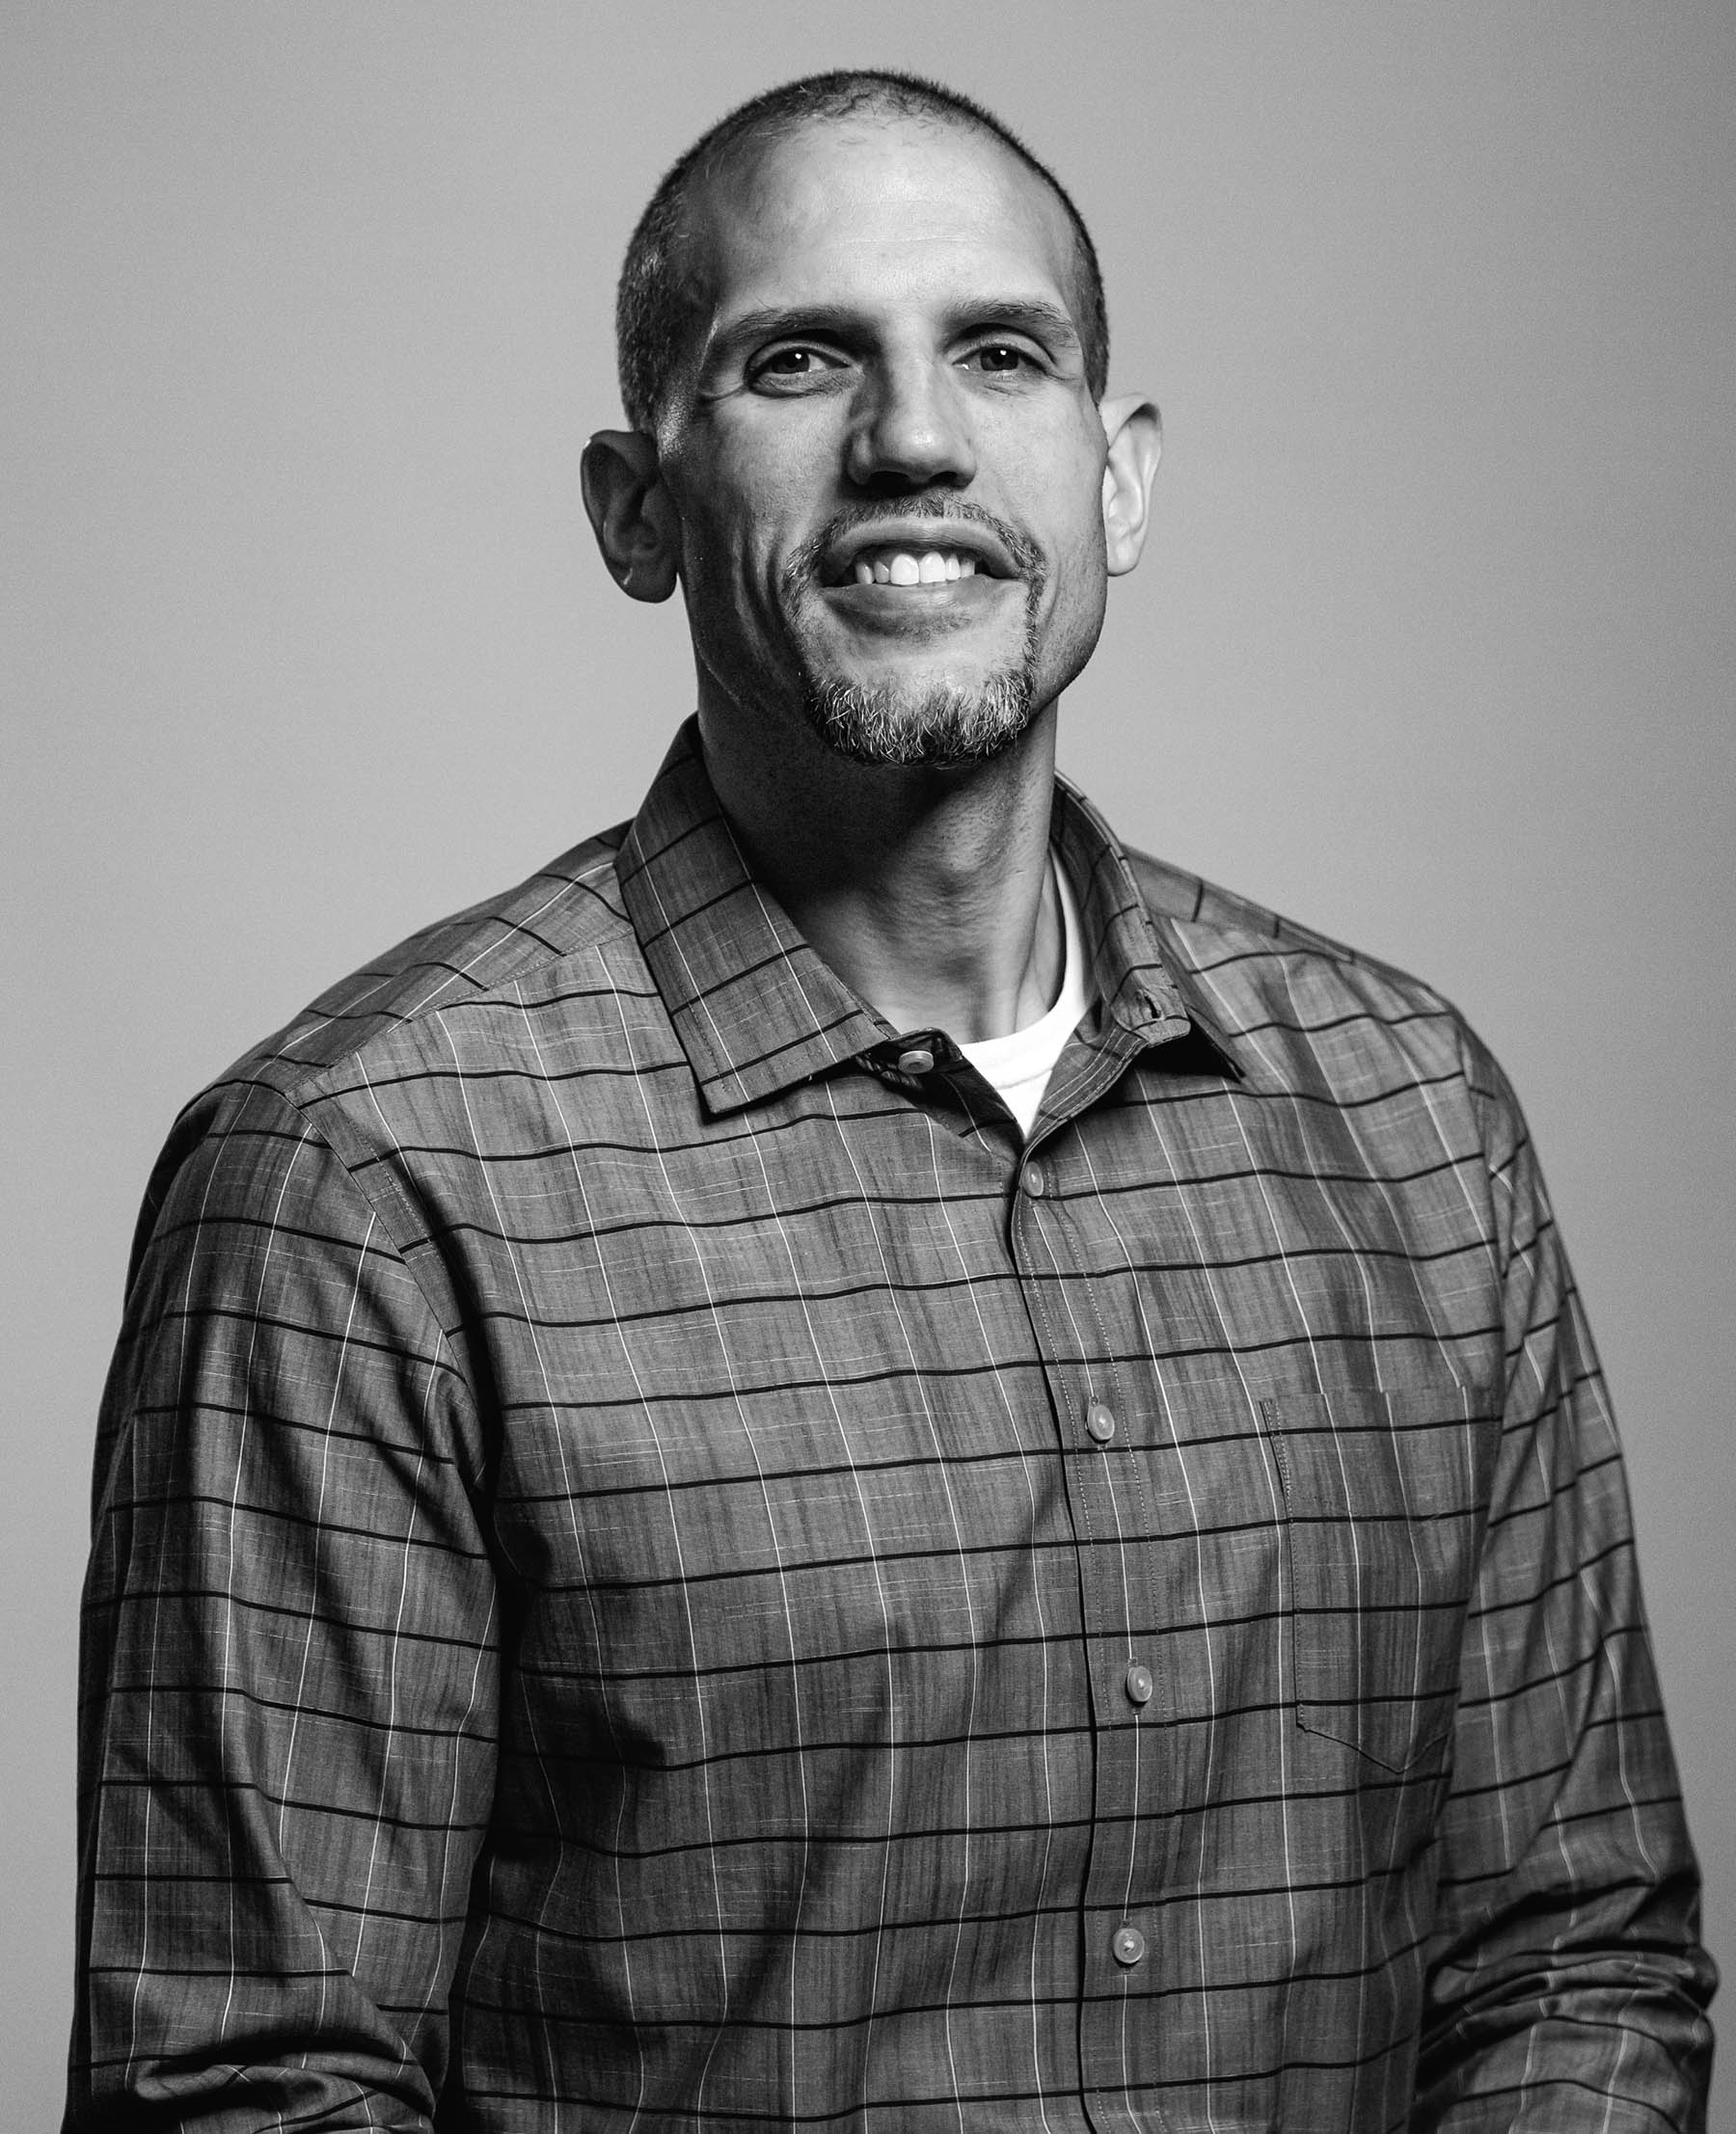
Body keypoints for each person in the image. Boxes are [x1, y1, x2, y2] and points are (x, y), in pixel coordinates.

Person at [68, 68, 1714, 2132]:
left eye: (998, 354)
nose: (915, 440)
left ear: (1117, 482)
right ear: (636, 507)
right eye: (800, 359)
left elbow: (1576, 1958)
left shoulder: (1412, 1119)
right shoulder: (366, 1182)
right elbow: (246, 2086)